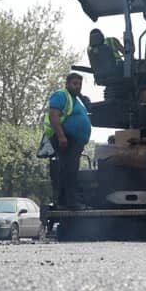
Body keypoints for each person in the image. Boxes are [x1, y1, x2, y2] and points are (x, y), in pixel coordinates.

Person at [44, 72, 92, 209]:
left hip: (74, 142)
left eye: (79, 84)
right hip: (66, 139)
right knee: (69, 171)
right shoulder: (61, 95)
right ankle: (70, 202)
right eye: (75, 84)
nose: (78, 87)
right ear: (67, 84)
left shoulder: (75, 100)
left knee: (70, 170)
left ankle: (65, 201)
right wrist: (61, 136)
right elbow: (54, 115)